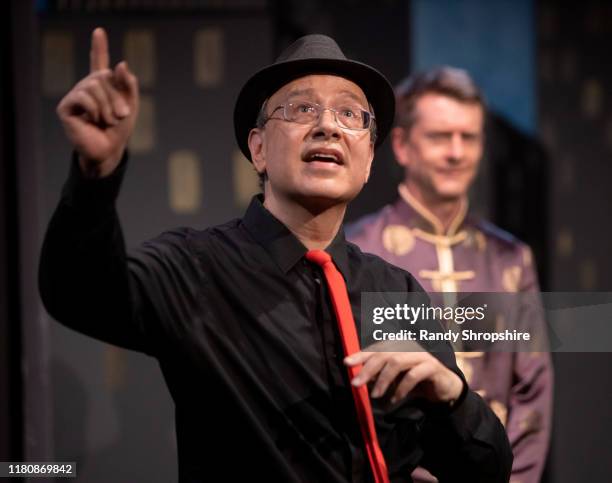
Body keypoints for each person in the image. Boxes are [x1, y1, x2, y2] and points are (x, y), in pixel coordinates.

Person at [39, 29, 512, 482]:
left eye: (351, 115)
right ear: (259, 148)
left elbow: (483, 470)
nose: (327, 126)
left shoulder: (396, 291)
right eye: (302, 108)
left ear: (368, 160)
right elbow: (80, 293)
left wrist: (452, 397)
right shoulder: (198, 268)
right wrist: (95, 173)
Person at [346, 67, 552, 483]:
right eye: (440, 137)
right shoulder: (356, 251)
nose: (456, 153)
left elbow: (532, 395)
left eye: (469, 137)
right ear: (402, 146)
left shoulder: (511, 259)